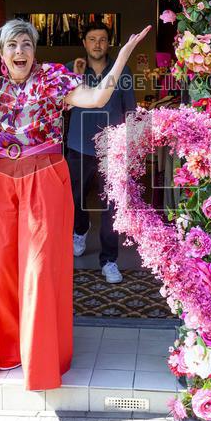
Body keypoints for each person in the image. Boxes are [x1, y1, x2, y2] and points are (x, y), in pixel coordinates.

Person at [0, 19, 150, 391]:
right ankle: (7, 351)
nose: (20, 51)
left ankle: (41, 362)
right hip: (1, 179)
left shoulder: (52, 78)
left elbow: (96, 98)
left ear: (34, 48)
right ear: (0, 50)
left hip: (45, 174)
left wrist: (121, 58)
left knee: (39, 271)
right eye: (11, 45)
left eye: (26, 43)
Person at [67, 23, 137, 284]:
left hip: (113, 150)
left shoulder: (123, 71)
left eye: (103, 39)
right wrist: (74, 74)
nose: (97, 44)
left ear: (109, 43)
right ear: (84, 42)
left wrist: (131, 147)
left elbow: (130, 111)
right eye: (92, 39)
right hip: (78, 146)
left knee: (111, 208)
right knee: (75, 199)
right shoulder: (72, 69)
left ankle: (109, 260)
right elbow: (58, 106)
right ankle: (80, 231)